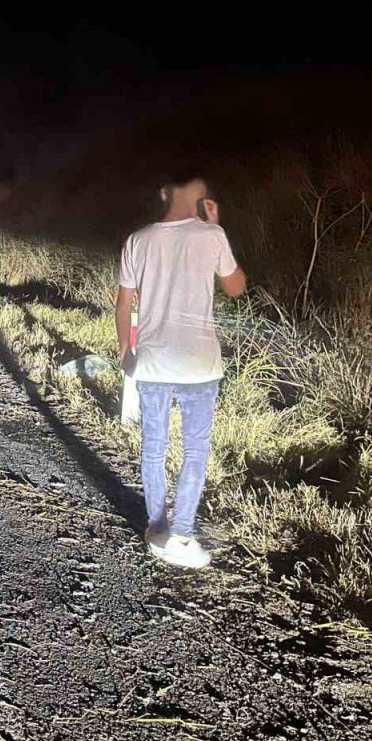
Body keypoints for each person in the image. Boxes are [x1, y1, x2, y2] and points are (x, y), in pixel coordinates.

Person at [115, 175, 247, 568]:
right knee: (195, 451)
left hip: (154, 361)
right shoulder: (212, 235)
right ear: (202, 198)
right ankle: (182, 533)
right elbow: (236, 287)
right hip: (199, 364)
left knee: (153, 449)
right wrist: (215, 226)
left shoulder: (138, 239)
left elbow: (123, 304)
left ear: (162, 193)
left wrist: (126, 350)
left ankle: (157, 528)